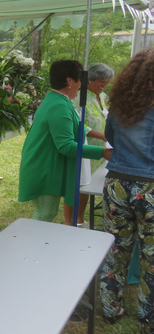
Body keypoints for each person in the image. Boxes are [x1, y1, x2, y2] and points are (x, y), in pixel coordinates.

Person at [98, 48, 154, 334]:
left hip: (117, 184)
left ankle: (110, 307)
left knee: (116, 249)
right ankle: (149, 328)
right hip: (151, 189)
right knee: (153, 260)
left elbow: (111, 138)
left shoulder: (121, 105)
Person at [18, 60, 112, 223]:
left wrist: (103, 136)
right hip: (44, 168)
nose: (82, 84)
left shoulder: (59, 100)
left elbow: (77, 126)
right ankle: (34, 246)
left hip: (46, 165)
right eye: (80, 79)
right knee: (45, 214)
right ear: (70, 81)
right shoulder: (58, 105)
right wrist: (103, 152)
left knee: (47, 214)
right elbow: (66, 146)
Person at [71, 63, 114, 227]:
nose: (104, 85)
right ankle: (79, 219)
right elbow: (80, 124)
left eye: (107, 82)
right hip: (89, 146)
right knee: (84, 183)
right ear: (90, 79)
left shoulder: (103, 97)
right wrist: (103, 136)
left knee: (97, 182)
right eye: (101, 81)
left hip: (104, 147)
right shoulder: (79, 97)